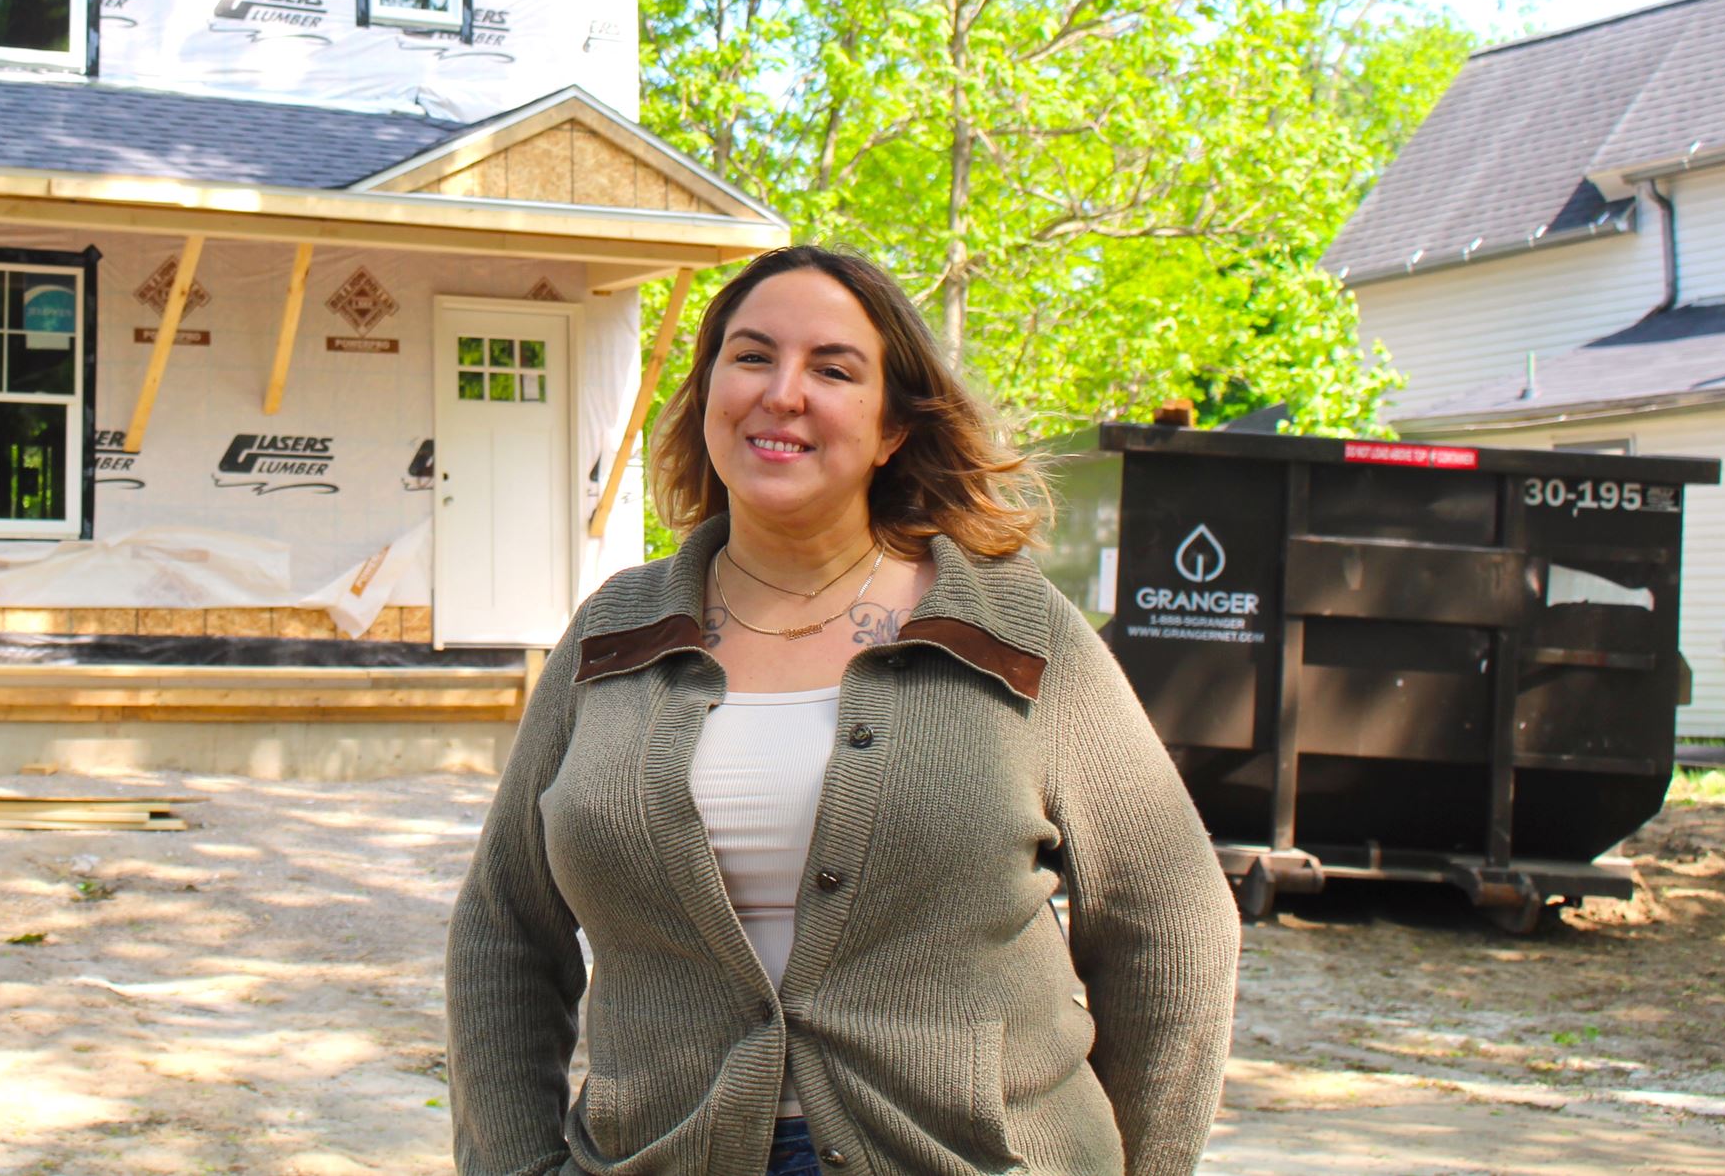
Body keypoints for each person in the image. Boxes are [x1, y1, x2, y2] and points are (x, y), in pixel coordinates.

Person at [445, 246, 1239, 1176]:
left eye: (833, 368)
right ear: (708, 393)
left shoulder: (1014, 630)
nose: (784, 392)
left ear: (894, 425)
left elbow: (1172, 920)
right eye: (750, 356)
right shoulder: (614, 632)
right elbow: (503, 926)